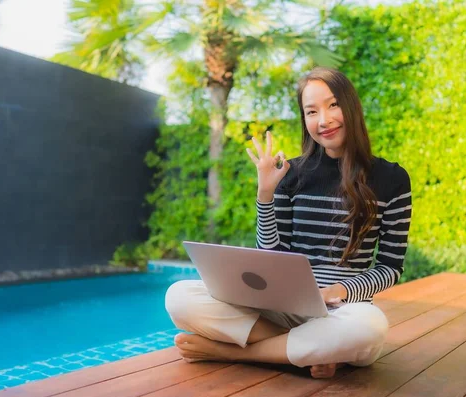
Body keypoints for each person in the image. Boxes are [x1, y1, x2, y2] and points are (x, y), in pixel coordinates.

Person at [165, 66, 412, 379]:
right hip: (284, 310)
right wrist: (265, 194)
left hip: (344, 309)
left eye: (333, 105)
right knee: (180, 296)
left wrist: (339, 290)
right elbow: (271, 256)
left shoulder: (392, 179)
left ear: (352, 106)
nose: (324, 120)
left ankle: (231, 352)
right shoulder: (290, 174)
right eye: (311, 111)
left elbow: (390, 268)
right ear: (304, 119)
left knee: (370, 330)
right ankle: (312, 351)